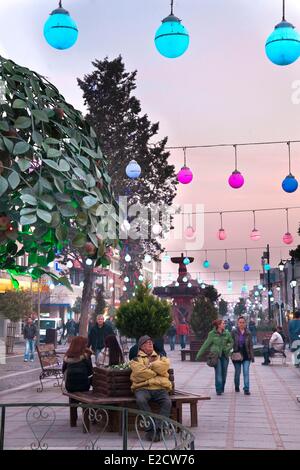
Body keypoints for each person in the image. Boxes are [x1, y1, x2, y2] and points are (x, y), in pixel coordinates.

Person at [130, 335, 172, 442]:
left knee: (167, 402)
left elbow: (165, 366)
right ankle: (151, 427)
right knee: (140, 400)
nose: (150, 344)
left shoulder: (160, 356)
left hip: (159, 388)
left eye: (150, 342)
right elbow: (139, 373)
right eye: (146, 342)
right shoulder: (136, 359)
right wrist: (156, 372)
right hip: (142, 388)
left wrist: (151, 365)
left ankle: (157, 428)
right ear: (141, 347)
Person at [196, 319, 233, 396]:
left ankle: (222, 387)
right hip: (216, 356)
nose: (224, 324)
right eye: (223, 323)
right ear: (218, 325)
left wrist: (228, 348)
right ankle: (218, 390)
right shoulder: (212, 334)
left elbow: (231, 342)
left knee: (224, 373)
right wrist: (198, 355)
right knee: (218, 373)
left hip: (225, 356)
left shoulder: (227, 333)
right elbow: (205, 345)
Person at [231, 316, 254, 394]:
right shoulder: (234, 332)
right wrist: (230, 351)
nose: (241, 324)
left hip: (246, 355)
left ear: (245, 323)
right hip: (236, 355)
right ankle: (237, 386)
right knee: (237, 372)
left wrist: (252, 356)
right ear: (237, 323)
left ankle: (246, 389)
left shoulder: (248, 333)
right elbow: (230, 342)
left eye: (243, 322)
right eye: (240, 322)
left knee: (246, 371)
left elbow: (251, 345)